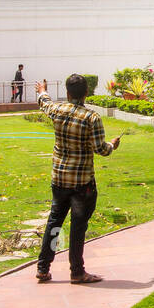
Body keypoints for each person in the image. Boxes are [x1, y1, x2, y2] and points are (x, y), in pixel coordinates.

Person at [33, 75, 121, 283]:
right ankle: (77, 271)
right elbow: (101, 149)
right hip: (82, 183)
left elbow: (44, 103)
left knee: (55, 222)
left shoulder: (57, 110)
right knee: (78, 226)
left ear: (67, 93)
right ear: (86, 93)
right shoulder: (91, 118)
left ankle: (43, 267)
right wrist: (112, 145)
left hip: (60, 179)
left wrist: (42, 90)